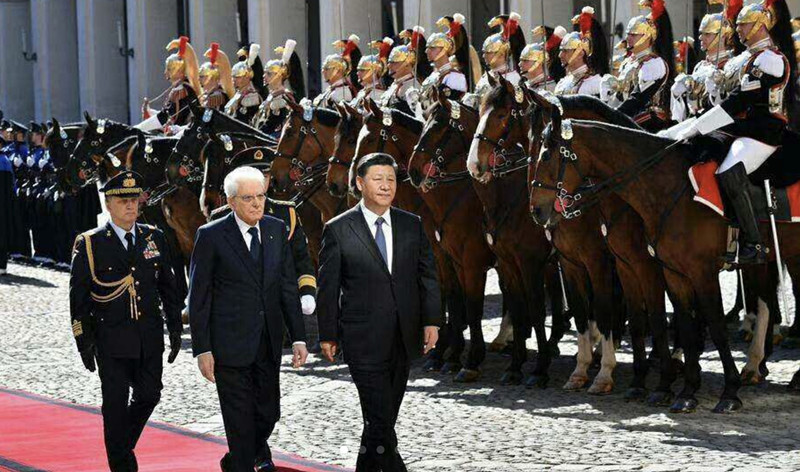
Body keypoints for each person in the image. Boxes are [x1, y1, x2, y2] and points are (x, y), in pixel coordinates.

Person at [317, 153, 442, 472]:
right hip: (362, 338)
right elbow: (328, 288)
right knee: (380, 416)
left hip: (404, 335)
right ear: (360, 183)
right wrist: (328, 334)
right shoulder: (338, 229)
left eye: (391, 179)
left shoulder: (411, 224)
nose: (386, 186)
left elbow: (427, 275)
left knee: (381, 419)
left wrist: (432, 320)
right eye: (378, 179)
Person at [188, 166, 307, 472]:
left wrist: (298, 337)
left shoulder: (276, 229)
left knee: (268, 413)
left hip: (268, 341)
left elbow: (287, 286)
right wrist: (202, 349)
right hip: (229, 346)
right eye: (248, 198)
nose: (257, 204)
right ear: (231, 202)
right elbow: (199, 297)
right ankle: (240, 461)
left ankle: (235, 460)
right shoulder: (211, 235)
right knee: (239, 421)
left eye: (261, 196)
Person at [69, 171, 183, 471]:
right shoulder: (90, 244)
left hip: (148, 336)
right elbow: (78, 299)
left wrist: (175, 328)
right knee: (115, 406)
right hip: (111, 339)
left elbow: (168, 287)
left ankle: (120, 447)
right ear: (108, 204)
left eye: (134, 199)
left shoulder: (154, 237)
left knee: (150, 395)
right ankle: (122, 465)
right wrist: (84, 342)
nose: (131, 206)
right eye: (123, 201)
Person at [675, 0, 795, 265]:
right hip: (741, 128)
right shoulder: (745, 60)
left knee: (729, 170)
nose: (738, 29)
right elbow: (724, 101)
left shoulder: (771, 60)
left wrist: (698, 126)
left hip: (764, 132)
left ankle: (754, 242)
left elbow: (738, 102)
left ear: (761, 25)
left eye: (744, 24)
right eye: (738, 24)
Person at [199, 42, 234, 111]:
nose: (199, 79)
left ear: (211, 77)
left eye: (201, 76)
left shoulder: (216, 96)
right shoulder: (207, 95)